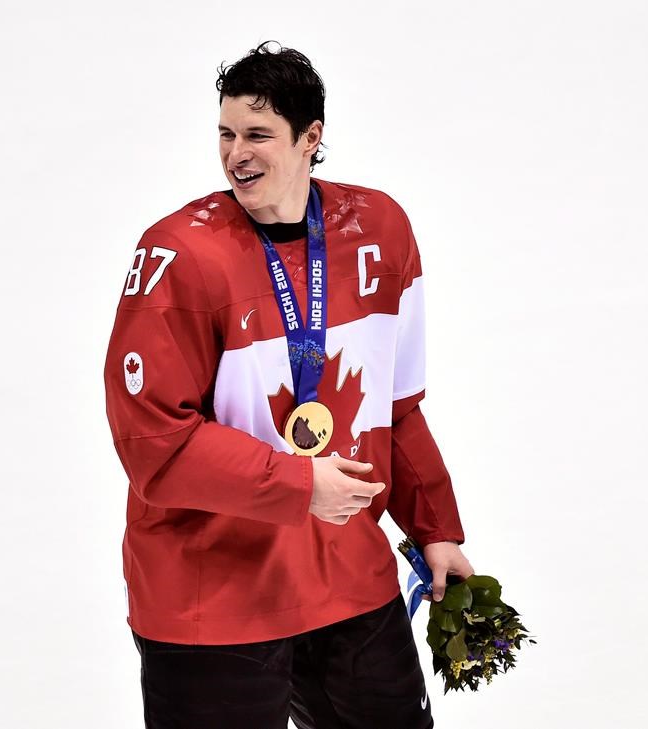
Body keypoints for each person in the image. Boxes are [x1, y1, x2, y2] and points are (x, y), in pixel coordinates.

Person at [102, 40, 473, 729]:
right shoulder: (179, 255)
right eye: (225, 133)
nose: (235, 152)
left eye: (257, 135)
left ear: (311, 139)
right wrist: (301, 485)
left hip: (347, 579)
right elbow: (154, 445)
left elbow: (398, 405)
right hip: (210, 597)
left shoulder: (380, 231)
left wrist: (434, 529)